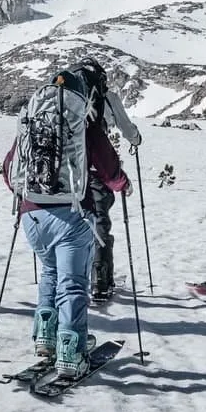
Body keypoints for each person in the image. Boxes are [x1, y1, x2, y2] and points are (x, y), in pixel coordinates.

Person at [4, 69, 130, 378]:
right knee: (73, 284)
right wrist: (123, 183)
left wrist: (30, 199)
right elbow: (110, 171)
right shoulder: (83, 125)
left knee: (50, 271)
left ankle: (47, 335)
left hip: (31, 215)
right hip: (71, 217)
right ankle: (71, 350)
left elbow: (9, 169)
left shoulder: (32, 122)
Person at [70, 57, 142, 305]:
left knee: (70, 229)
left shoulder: (66, 99)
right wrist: (136, 140)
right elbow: (126, 127)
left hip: (66, 174)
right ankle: (101, 283)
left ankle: (70, 283)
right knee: (99, 226)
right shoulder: (107, 99)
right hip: (96, 171)